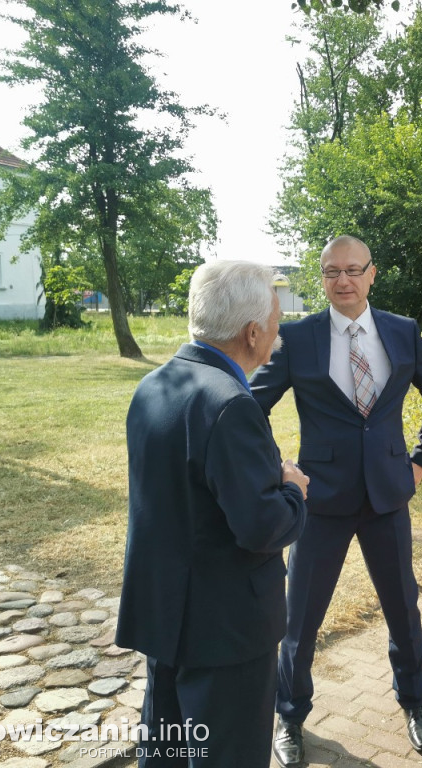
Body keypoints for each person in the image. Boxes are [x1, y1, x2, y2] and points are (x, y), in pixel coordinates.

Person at [249, 235, 422, 764]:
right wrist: (280, 467)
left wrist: (419, 461)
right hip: (320, 500)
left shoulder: (402, 332)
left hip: (388, 496)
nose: (342, 281)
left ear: (372, 274)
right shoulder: (298, 339)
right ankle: (290, 717)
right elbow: (251, 406)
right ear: (320, 279)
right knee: (300, 618)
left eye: (352, 270)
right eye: (330, 272)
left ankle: (414, 703)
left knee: (402, 610)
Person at [116, 261, 310, 768]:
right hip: (226, 629)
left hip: (165, 616)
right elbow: (261, 527)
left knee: (168, 753)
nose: (278, 332)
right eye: (275, 319)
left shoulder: (154, 385)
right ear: (252, 332)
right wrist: (292, 490)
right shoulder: (230, 404)